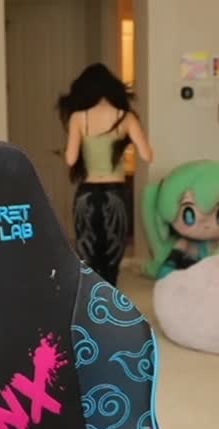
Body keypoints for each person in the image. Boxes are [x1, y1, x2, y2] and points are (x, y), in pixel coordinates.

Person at [57, 63, 153, 286]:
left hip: (87, 192)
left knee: (88, 257)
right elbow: (147, 156)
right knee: (112, 257)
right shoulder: (125, 118)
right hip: (116, 192)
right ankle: (110, 301)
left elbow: (70, 159)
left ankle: (91, 302)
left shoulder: (78, 118)